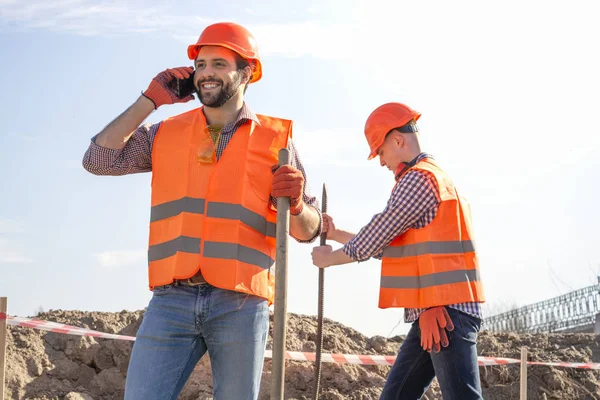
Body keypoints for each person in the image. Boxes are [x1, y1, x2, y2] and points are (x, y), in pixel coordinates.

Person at [82, 22, 321, 400]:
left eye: (219, 64)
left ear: (246, 73)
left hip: (241, 303)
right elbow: (98, 159)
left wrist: (296, 202)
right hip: (171, 300)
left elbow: (308, 230)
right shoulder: (165, 133)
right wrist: (149, 99)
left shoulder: (277, 141)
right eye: (201, 64)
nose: (206, 72)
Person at [311, 102, 485, 399]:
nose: (380, 161)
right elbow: (395, 247)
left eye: (379, 151)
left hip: (446, 313)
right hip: (433, 311)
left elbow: (379, 233)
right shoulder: (433, 178)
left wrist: (330, 259)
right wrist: (337, 234)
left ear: (398, 140)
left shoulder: (419, 179)